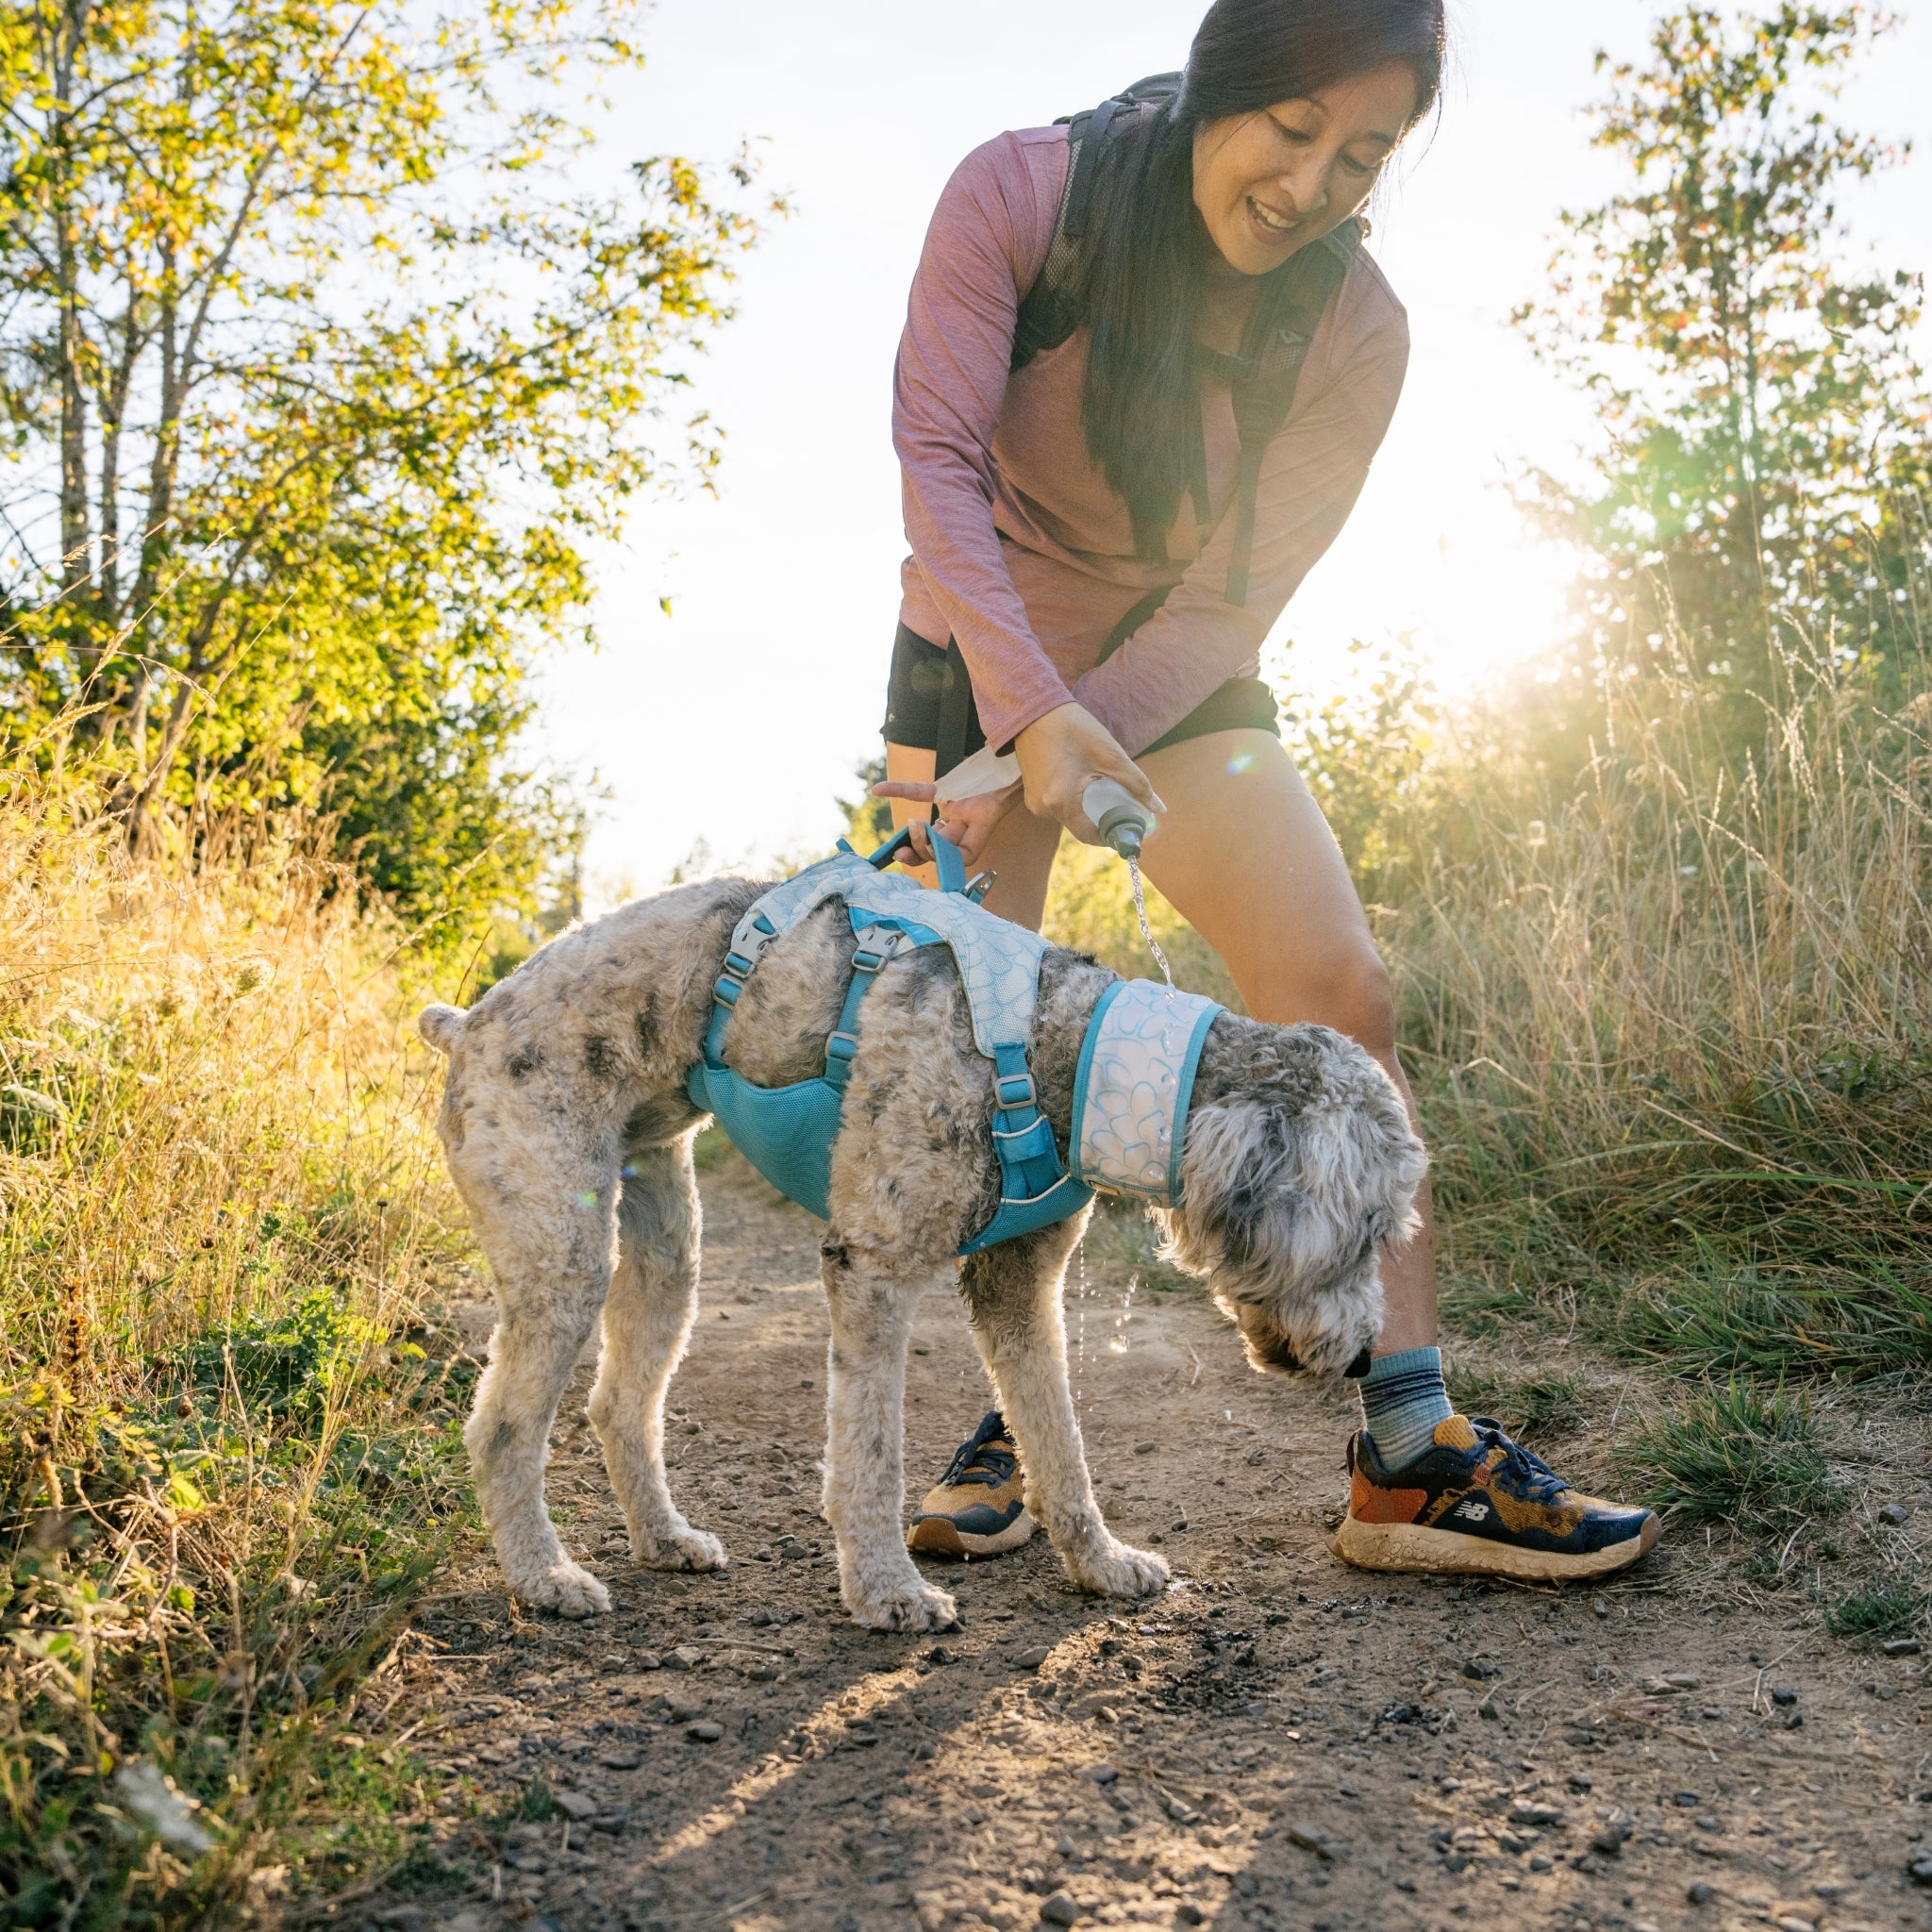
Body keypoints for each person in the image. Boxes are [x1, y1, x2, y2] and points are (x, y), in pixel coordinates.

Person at [872, 0, 1660, 1585]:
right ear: (1224, 87)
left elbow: (1233, 607)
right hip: (976, 646)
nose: (1313, 182)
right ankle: (998, 1432)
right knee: (965, 1040)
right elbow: (937, 463)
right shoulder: (1021, 194)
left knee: (1339, 990)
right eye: (1293, 129)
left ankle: (1414, 1447)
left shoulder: (1359, 332)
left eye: (1362, 153)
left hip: (1177, 665)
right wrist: (1019, 726)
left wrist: (1088, 730)